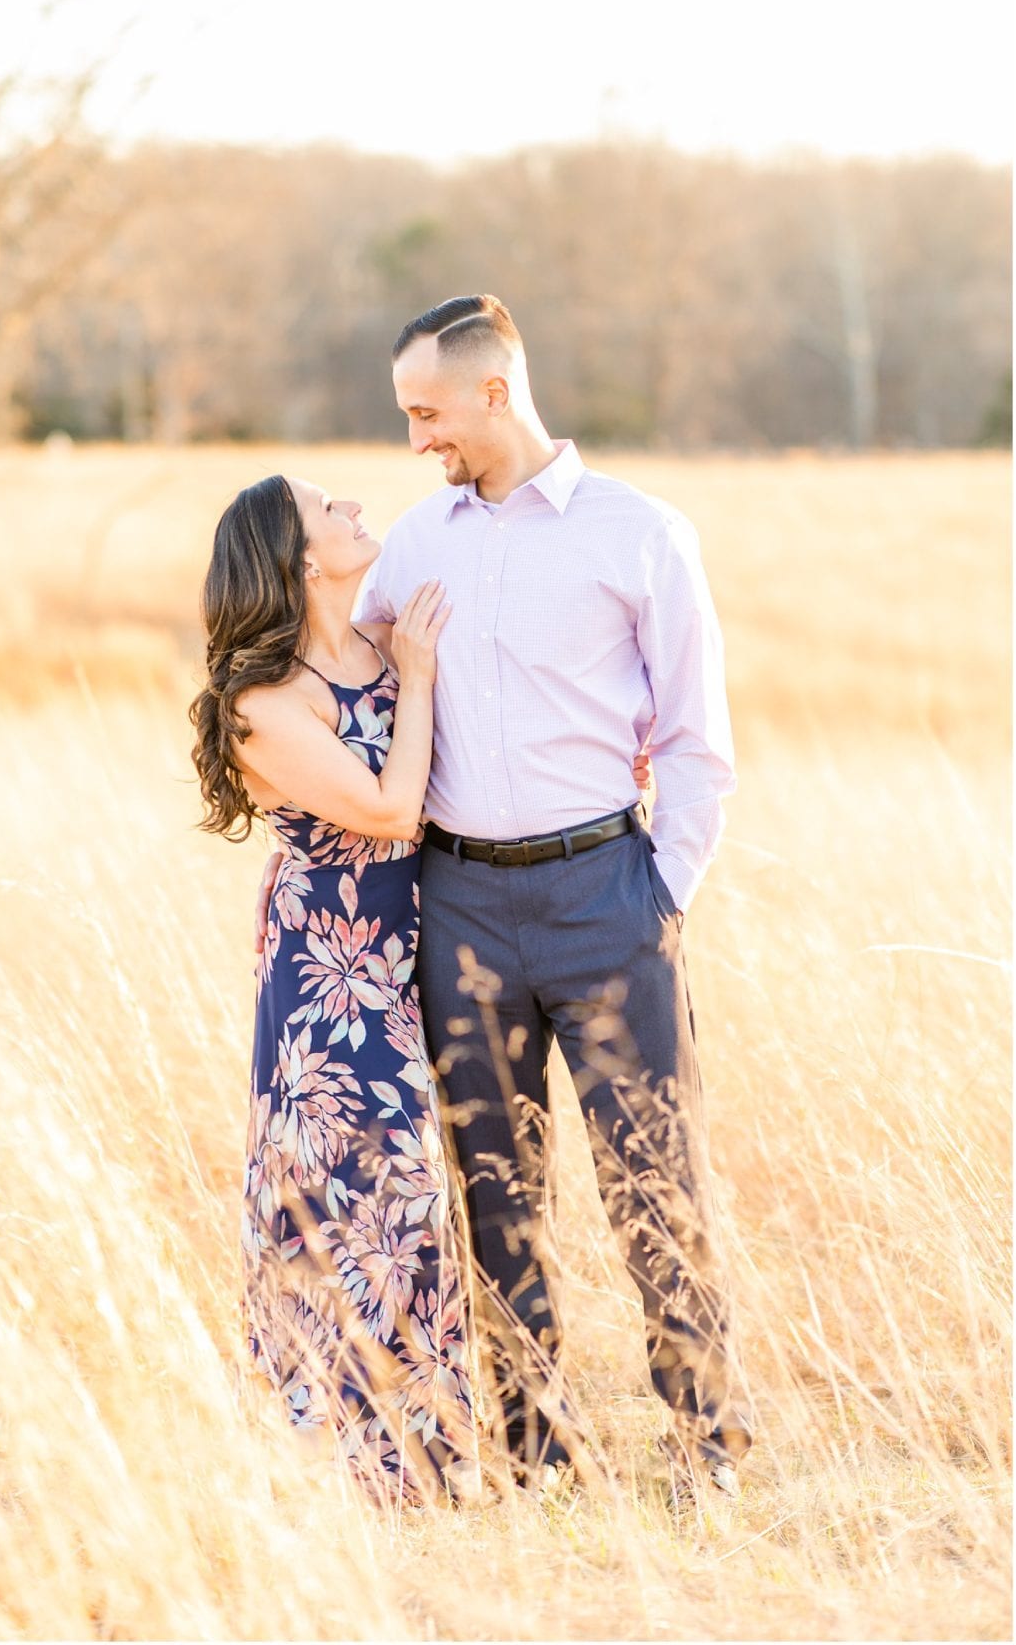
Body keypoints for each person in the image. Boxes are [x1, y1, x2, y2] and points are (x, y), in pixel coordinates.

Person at [256, 294, 756, 1506]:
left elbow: (696, 744)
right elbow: (335, 674)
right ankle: (542, 1460)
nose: (417, 436)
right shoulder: (416, 545)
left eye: (427, 410)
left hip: (608, 895)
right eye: (404, 414)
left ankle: (706, 1456)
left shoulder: (640, 534)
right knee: (494, 1193)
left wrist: (656, 894)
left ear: (494, 390)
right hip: (459, 906)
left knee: (655, 1181)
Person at [189, 473, 477, 1505]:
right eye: (326, 508)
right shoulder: (263, 704)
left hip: (415, 945)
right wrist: (423, 676)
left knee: (412, 1195)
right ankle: (337, 1459)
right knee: (360, 1185)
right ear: (299, 560)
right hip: (330, 971)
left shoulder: (380, 642)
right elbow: (390, 811)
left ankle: (426, 1454)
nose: (353, 506)